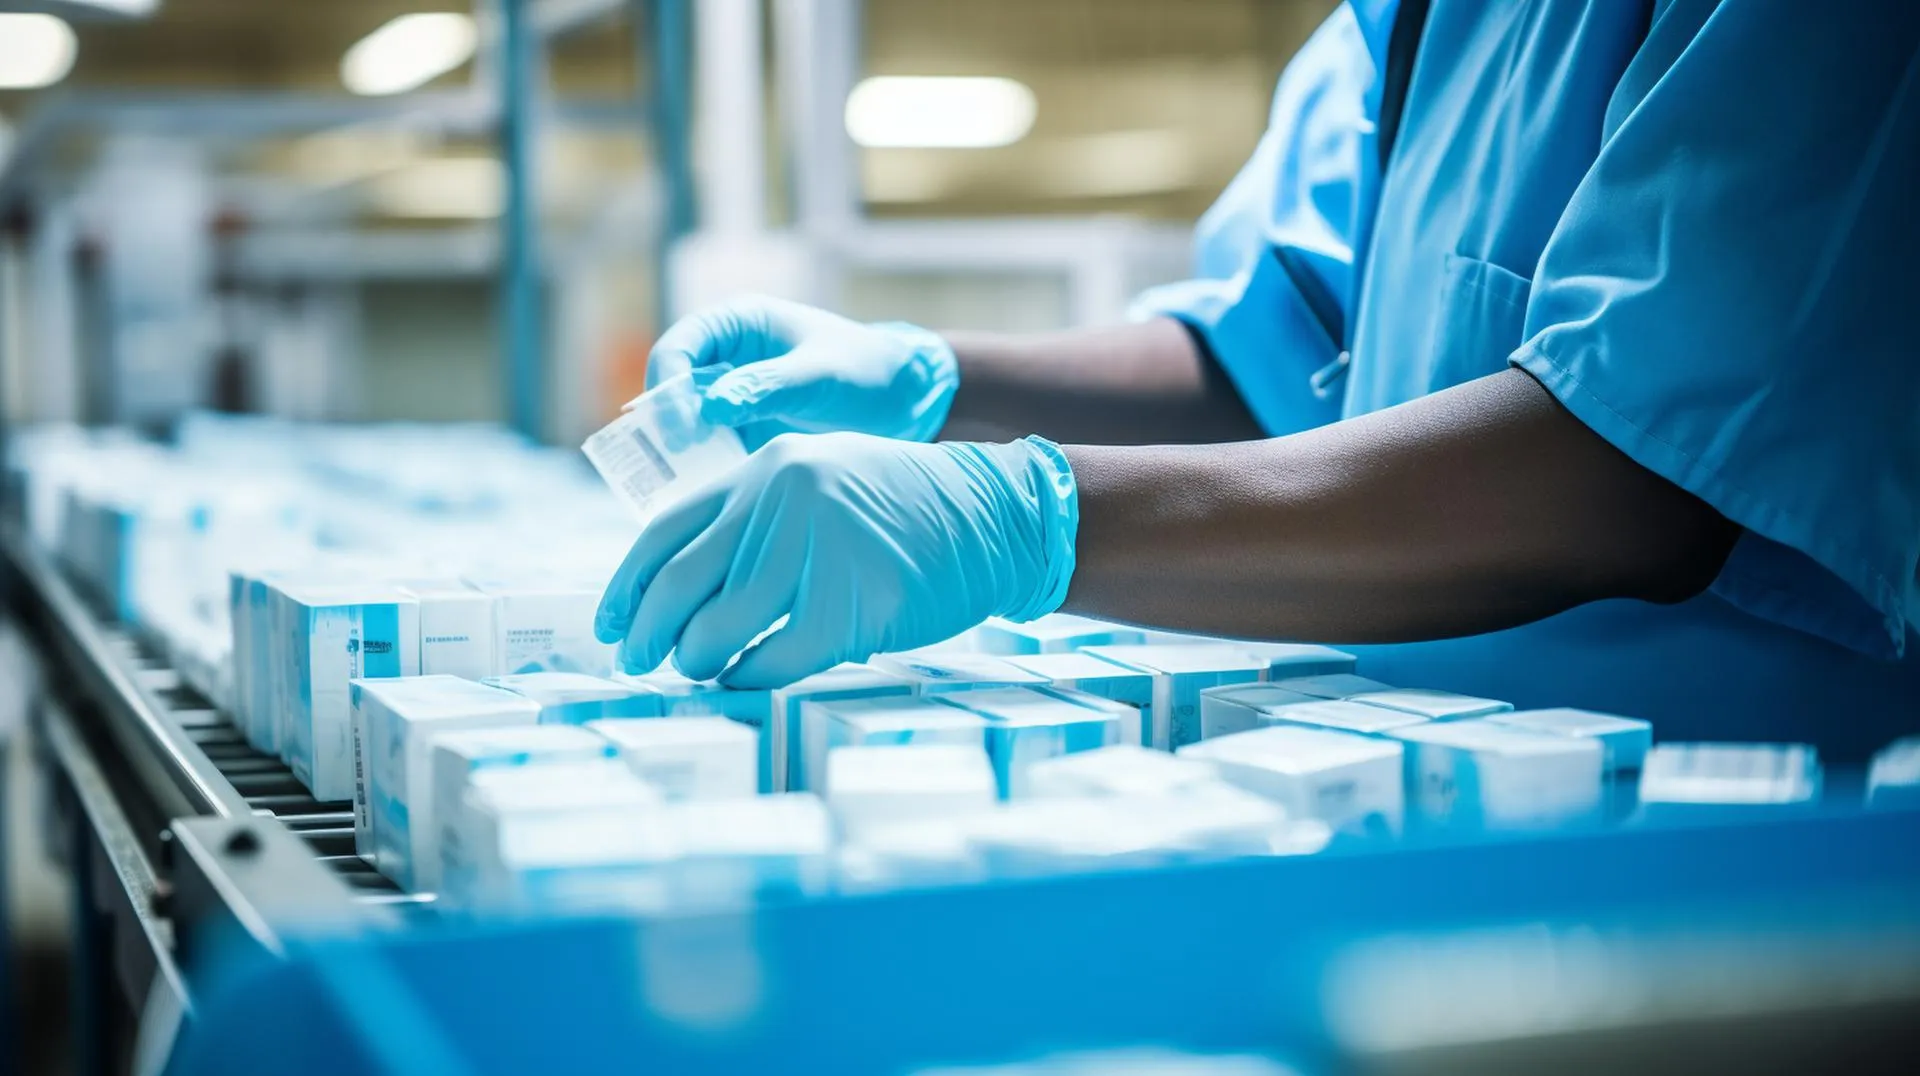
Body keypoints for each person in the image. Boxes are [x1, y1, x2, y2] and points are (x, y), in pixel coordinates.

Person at [596, 0, 1920, 762]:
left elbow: (1636, 471)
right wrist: (939, 379)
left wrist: (1021, 519)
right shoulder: (1403, 22)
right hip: (1405, 788)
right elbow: (1269, 360)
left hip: (1740, 850)